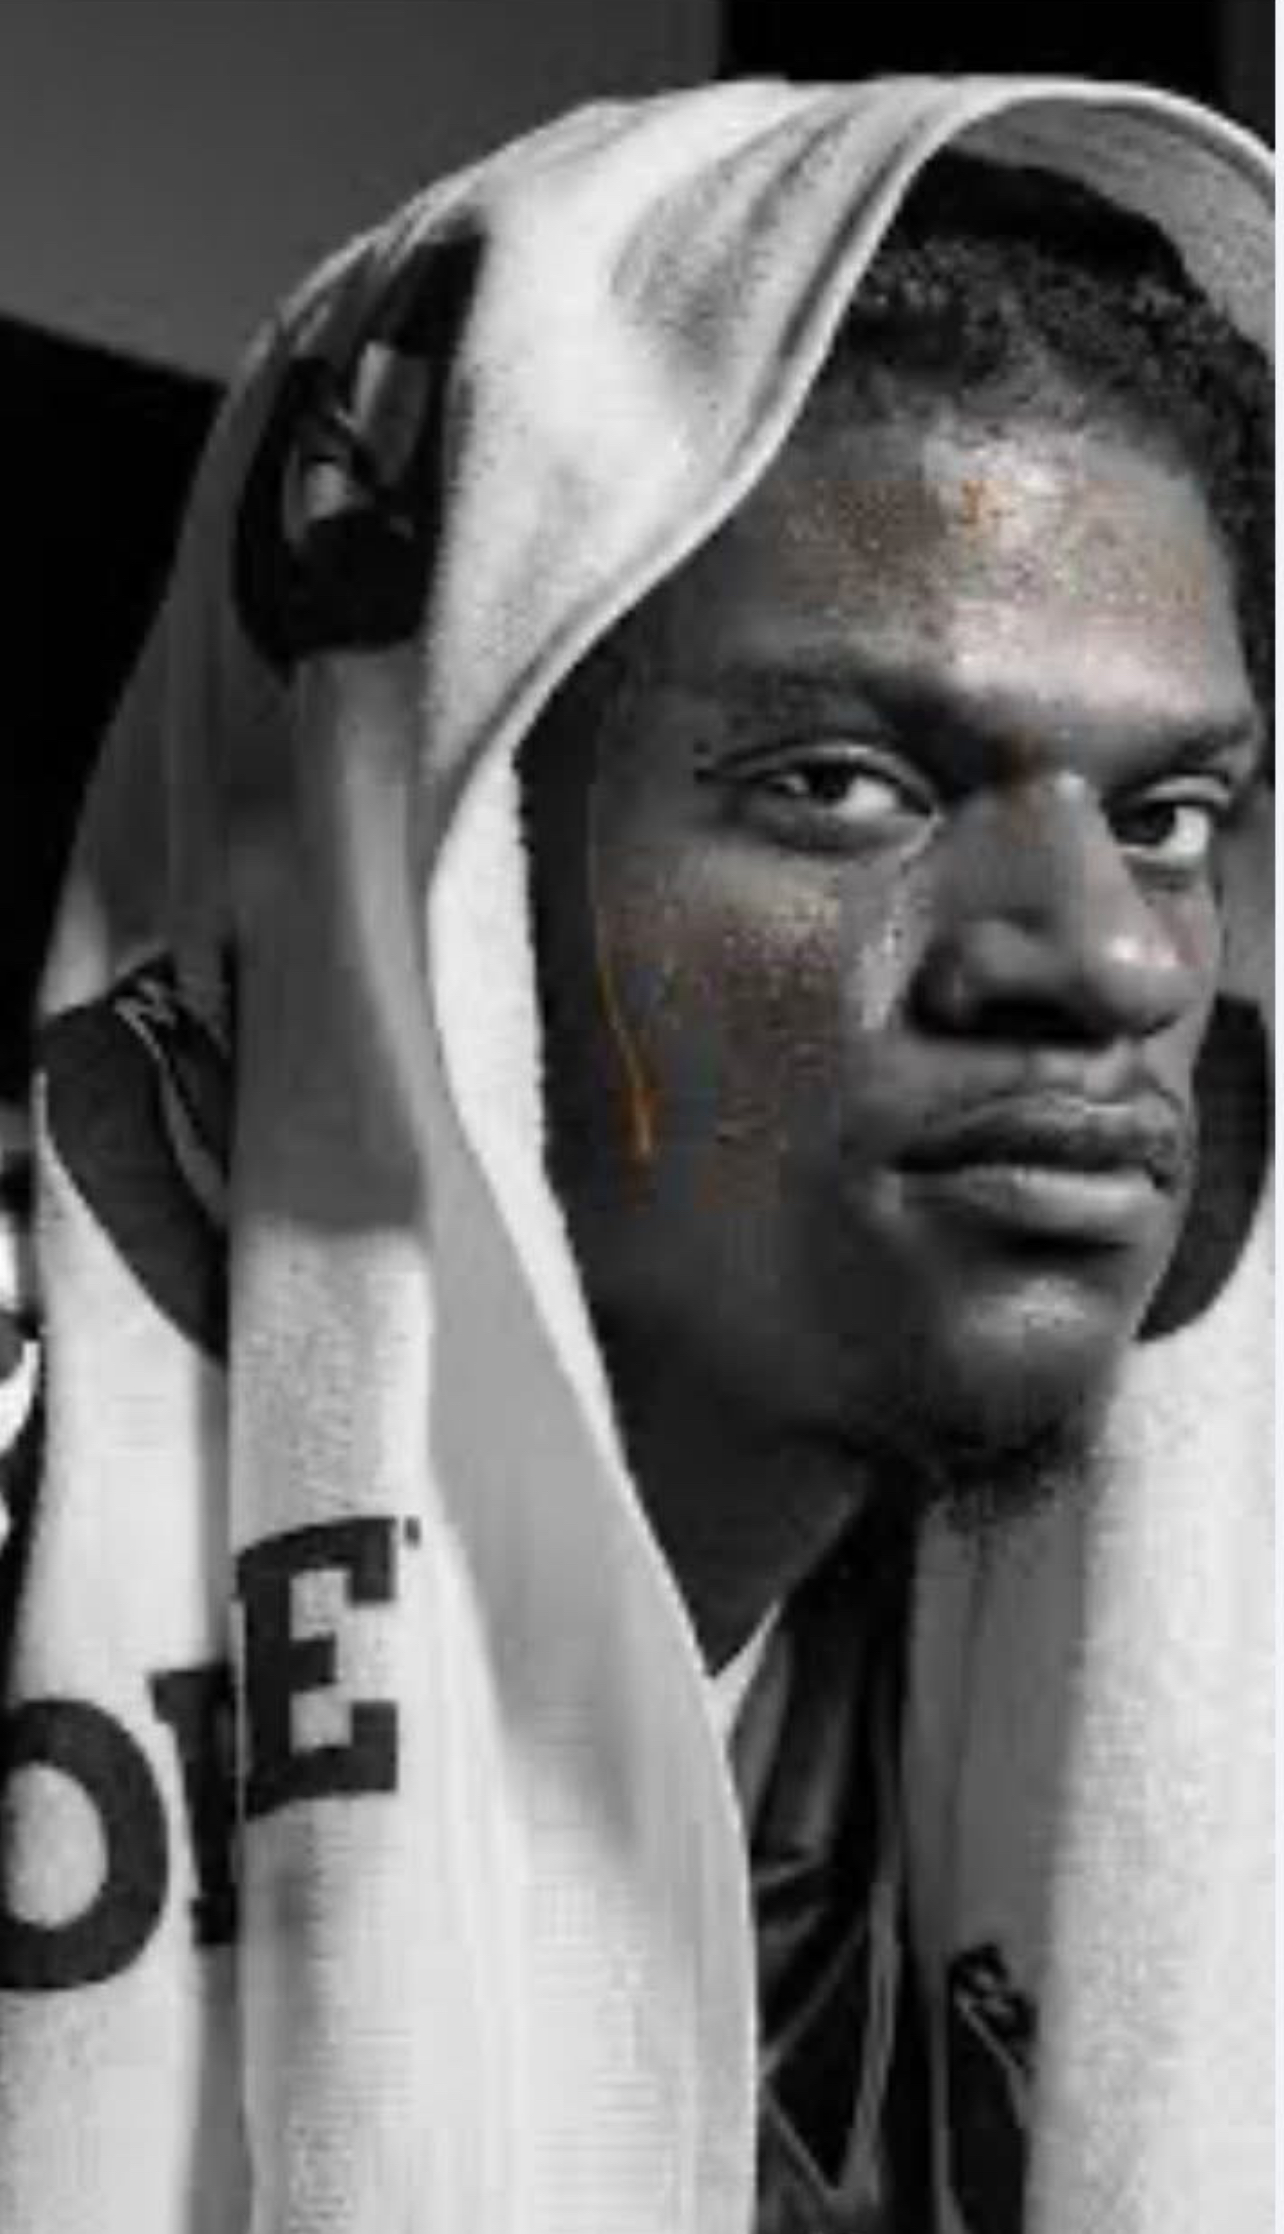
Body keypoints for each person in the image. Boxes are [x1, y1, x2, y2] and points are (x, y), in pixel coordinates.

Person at [0, 76, 1271, 2234]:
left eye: (1170, 816)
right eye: (843, 783)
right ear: (418, 856)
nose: (1115, 956)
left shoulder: (1142, 1701)